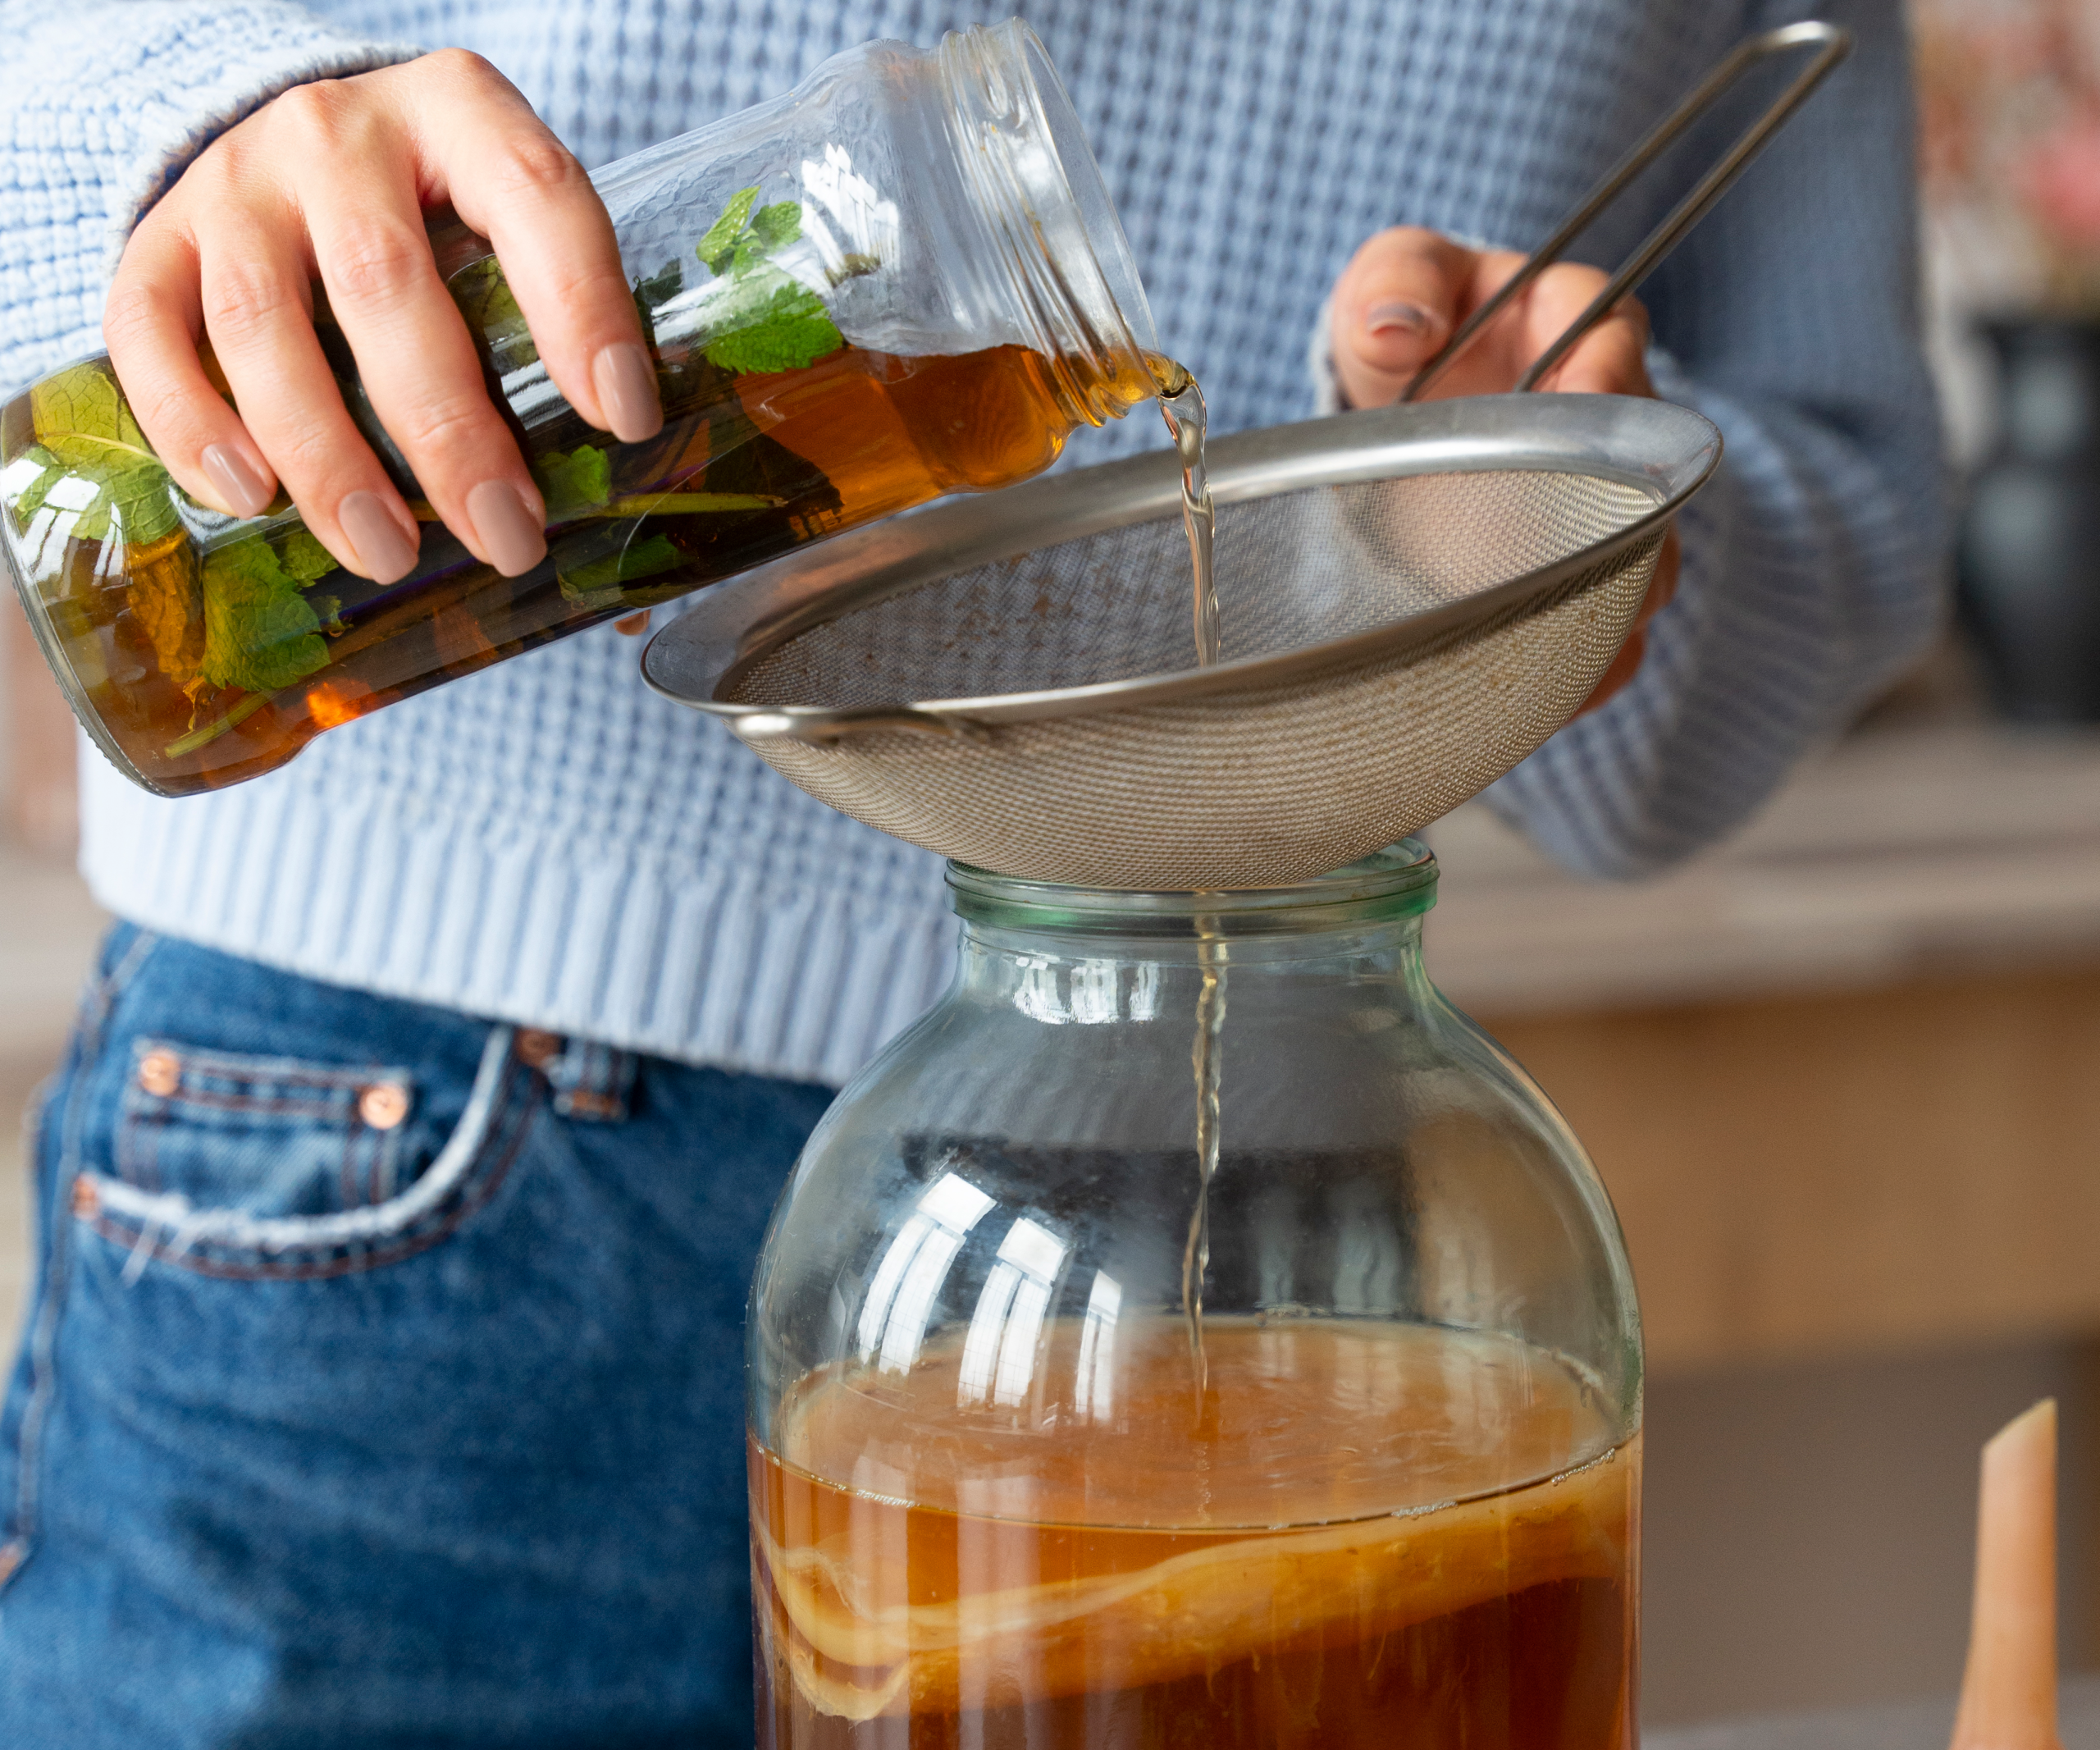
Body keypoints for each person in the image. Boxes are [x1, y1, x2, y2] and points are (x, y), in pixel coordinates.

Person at [0, 1, 1941, 1742]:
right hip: (399, 1164)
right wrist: (199, 123)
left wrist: (1537, 505)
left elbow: (1835, 536)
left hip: (1277, 1195)